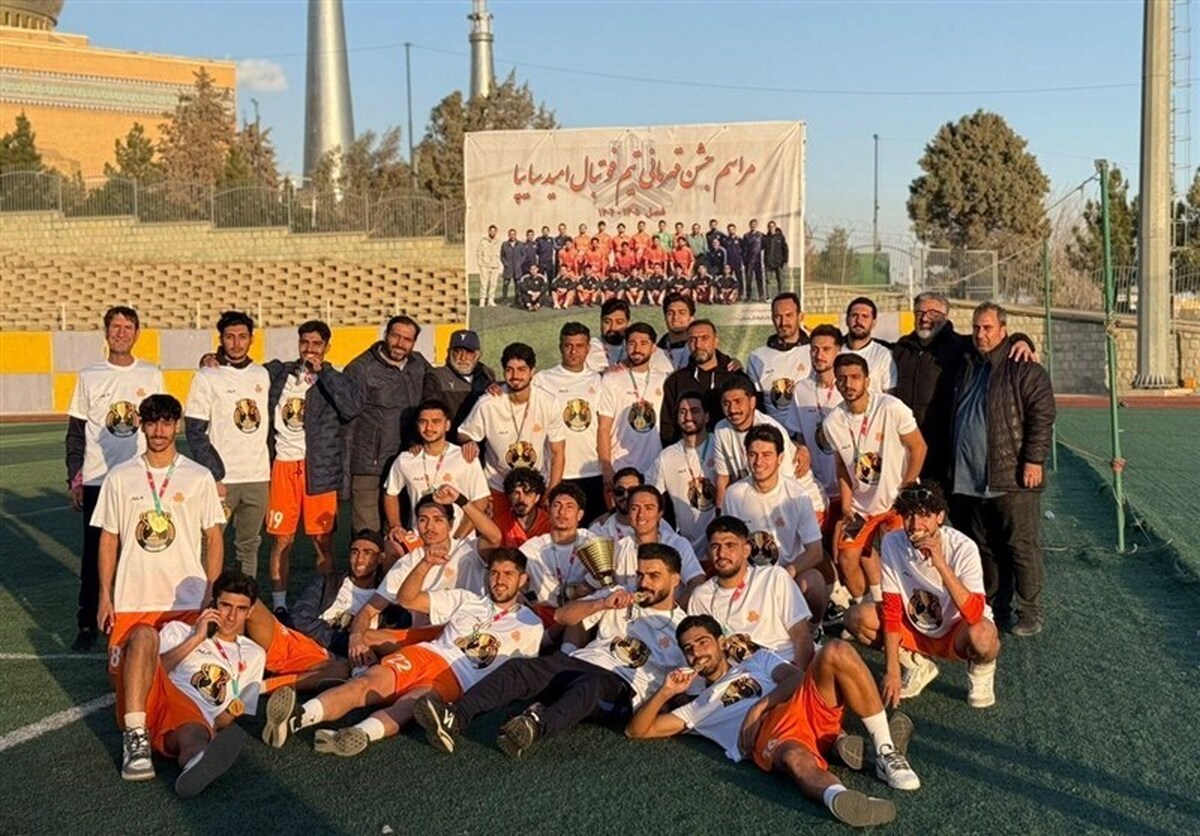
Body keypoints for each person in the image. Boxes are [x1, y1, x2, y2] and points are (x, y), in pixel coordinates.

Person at [626, 616, 919, 828]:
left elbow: (795, 678)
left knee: (836, 651)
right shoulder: (698, 707)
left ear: (720, 643)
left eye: (703, 642)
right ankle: (841, 797)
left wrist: (758, 707)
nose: (696, 652)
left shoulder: (758, 660)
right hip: (775, 733)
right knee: (795, 758)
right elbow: (637, 730)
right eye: (688, 649)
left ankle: (884, 750)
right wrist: (666, 692)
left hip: (801, 706)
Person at [413, 543, 688, 758]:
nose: (644, 583)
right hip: (579, 662)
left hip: (619, 686)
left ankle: (533, 726)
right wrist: (601, 604)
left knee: (589, 686)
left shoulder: (683, 630)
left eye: (654, 576)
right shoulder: (619, 592)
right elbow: (561, 617)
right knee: (518, 668)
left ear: (675, 579)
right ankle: (455, 716)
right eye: (640, 575)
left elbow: (687, 691)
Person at [262, 548, 542, 757]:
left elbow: (519, 676)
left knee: (409, 707)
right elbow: (408, 599)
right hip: (426, 655)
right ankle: (298, 717)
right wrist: (425, 563)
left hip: (456, 680)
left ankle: (356, 735)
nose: (499, 580)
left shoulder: (532, 625)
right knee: (365, 684)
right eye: (494, 573)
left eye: (508, 574)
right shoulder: (466, 599)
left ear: (523, 579)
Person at [92, 394, 225, 714]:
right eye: (152, 423)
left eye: (166, 423)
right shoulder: (120, 477)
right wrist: (105, 595)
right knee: (123, 686)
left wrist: (211, 590)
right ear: (141, 426)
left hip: (186, 602)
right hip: (132, 601)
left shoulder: (199, 476)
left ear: (177, 426)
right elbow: (108, 539)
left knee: (186, 684)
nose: (159, 431)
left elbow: (214, 538)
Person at [949, 302, 1055, 637]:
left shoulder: (1023, 367)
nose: (980, 334)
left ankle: (1031, 611)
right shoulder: (969, 362)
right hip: (972, 478)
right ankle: (997, 607)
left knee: (1021, 545)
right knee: (985, 547)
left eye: (988, 328)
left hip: (1011, 476)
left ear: (1003, 330)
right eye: (976, 327)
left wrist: (1034, 459)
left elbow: (1042, 415)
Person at [845, 482, 1001, 708]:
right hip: (915, 627)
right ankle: (915, 663)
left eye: (925, 516)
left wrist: (940, 563)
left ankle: (981, 670)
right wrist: (892, 670)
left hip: (955, 631)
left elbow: (976, 613)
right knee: (856, 618)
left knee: (983, 635)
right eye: (909, 515)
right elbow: (891, 609)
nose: (915, 524)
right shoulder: (892, 542)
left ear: (940, 517)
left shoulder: (963, 547)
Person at [65, 305, 164, 651]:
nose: (121, 333)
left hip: (140, 479)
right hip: (98, 481)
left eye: (128, 327)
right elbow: (76, 433)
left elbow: (160, 427)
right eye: (116, 327)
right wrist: (75, 478)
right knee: (95, 555)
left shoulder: (151, 374)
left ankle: (138, 618)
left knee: (142, 551)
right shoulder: (89, 375)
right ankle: (88, 622)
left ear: (137, 334)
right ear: (106, 332)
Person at [116, 570, 266, 796]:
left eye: (241, 609)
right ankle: (135, 738)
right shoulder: (179, 631)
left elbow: (224, 719)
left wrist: (229, 714)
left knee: (195, 736)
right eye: (226, 606)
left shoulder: (254, 654)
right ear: (213, 604)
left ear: (250, 611)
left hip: (193, 717)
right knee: (144, 634)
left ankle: (196, 764)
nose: (231, 616)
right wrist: (197, 638)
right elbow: (149, 669)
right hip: (150, 699)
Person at [264, 321, 363, 619]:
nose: (310, 349)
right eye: (305, 343)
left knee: (323, 542)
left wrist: (324, 373)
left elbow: (351, 408)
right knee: (282, 541)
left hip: (319, 469)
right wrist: (215, 358)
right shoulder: (280, 374)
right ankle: (280, 606)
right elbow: (245, 373)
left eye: (316, 344)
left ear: (327, 347)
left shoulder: (334, 379)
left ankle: (324, 602)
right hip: (283, 465)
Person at [891, 291, 1035, 485]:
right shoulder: (902, 348)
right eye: (919, 312)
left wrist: (1021, 340)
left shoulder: (961, 345)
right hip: (906, 447)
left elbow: (995, 341)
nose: (924, 318)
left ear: (945, 316)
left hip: (944, 453)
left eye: (932, 313)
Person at [823, 354, 926, 606]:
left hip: (896, 501)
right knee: (846, 558)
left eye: (855, 377)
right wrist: (846, 504)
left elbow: (918, 447)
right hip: (861, 507)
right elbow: (842, 466)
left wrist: (907, 489)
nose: (849, 384)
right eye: (842, 379)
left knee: (901, 559)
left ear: (867, 380)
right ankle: (867, 606)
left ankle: (904, 606)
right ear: (836, 382)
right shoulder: (832, 422)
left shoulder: (891, 407)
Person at [185, 310, 270, 578]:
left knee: (249, 545)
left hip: (257, 477)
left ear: (252, 339)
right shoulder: (207, 376)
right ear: (220, 339)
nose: (236, 343)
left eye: (242, 337)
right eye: (230, 337)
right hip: (223, 480)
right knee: (209, 541)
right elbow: (195, 430)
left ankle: (245, 598)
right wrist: (215, 474)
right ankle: (204, 597)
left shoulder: (262, 374)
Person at [723, 426, 826, 623]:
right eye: (753, 454)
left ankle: (813, 629)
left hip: (789, 572)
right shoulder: (734, 494)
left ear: (780, 458)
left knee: (814, 582)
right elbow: (728, 543)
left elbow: (815, 551)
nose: (758, 462)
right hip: (749, 576)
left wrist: (787, 574)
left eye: (766, 455)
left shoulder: (797, 495)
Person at [687, 516, 814, 667]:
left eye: (730, 545)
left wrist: (796, 676)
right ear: (708, 552)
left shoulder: (773, 577)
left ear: (746, 550)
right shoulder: (701, 597)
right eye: (715, 546)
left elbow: (802, 637)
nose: (722, 553)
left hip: (786, 663)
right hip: (742, 675)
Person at [458, 342, 566, 515]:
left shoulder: (548, 402)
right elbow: (464, 433)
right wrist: (468, 442)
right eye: (509, 370)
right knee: (496, 533)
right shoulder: (488, 403)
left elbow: (558, 453)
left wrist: (551, 492)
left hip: (536, 489)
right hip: (498, 487)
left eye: (522, 370)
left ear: (532, 371)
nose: (515, 376)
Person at [344, 315, 429, 534]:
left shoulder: (418, 364)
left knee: (398, 531)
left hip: (406, 461)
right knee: (367, 533)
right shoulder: (361, 368)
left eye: (407, 339)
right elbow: (346, 423)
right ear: (385, 335)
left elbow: (440, 386)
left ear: (414, 343)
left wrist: (484, 377)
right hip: (369, 466)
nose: (400, 344)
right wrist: (344, 473)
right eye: (395, 336)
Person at [382, 399, 491, 551]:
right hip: (419, 543)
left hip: (460, 543)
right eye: (423, 422)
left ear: (447, 425)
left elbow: (480, 500)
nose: (429, 428)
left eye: (436, 422)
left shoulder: (465, 456)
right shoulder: (406, 459)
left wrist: (457, 539)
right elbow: (390, 493)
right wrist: (396, 526)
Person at [533, 322, 607, 523]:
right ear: (560, 347)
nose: (573, 351)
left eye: (579, 346)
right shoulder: (542, 379)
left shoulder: (599, 380)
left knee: (593, 532)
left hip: (592, 471)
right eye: (568, 345)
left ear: (588, 349)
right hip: (557, 474)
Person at [290, 530, 398, 659]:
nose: (359, 559)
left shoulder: (385, 598)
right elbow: (300, 617)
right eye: (355, 552)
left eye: (367, 553)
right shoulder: (327, 583)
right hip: (312, 649)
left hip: (353, 660)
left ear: (380, 558)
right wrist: (346, 642)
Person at [597, 323, 668, 492]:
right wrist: (606, 466)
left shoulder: (664, 379)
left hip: (653, 467)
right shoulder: (611, 379)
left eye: (644, 343)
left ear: (653, 348)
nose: (637, 349)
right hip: (619, 465)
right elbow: (604, 427)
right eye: (632, 343)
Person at [788, 325, 846, 532]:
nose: (819, 355)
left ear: (839, 351)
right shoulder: (801, 389)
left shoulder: (848, 388)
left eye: (826, 349)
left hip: (848, 490)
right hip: (816, 491)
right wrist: (799, 447)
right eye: (814, 349)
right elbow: (796, 436)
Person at [711, 375, 799, 511]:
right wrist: (720, 514)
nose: (732, 409)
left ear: (752, 402)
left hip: (800, 500)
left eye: (738, 401)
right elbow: (723, 477)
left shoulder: (772, 430)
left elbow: (785, 484)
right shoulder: (720, 429)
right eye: (726, 403)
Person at [647, 394, 717, 554]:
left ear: (706, 417)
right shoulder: (667, 456)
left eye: (694, 411)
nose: (688, 417)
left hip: (720, 550)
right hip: (687, 553)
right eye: (682, 412)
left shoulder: (720, 445)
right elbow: (648, 495)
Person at [659, 319, 741, 446]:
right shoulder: (676, 381)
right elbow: (668, 426)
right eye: (693, 339)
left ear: (716, 341)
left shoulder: (735, 376)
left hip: (729, 450)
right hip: (689, 452)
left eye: (705, 338)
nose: (698, 345)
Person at [748, 292, 811, 427]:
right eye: (778, 316)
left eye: (789, 315)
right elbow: (756, 406)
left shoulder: (815, 351)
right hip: (774, 434)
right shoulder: (757, 357)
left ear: (800, 316)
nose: (783, 323)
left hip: (808, 433)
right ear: (772, 318)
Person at [421, 329, 495, 438]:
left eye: (468, 352)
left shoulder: (487, 376)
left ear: (478, 355)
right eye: (458, 351)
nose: (463, 357)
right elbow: (426, 413)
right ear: (449, 352)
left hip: (481, 441)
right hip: (450, 442)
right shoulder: (437, 377)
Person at [585, 298, 675, 374]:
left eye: (619, 322)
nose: (613, 327)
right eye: (607, 322)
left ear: (628, 323)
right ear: (600, 321)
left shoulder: (638, 346)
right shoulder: (588, 347)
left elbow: (667, 372)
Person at [842, 297, 897, 392]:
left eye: (865, 316)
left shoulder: (884, 355)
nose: (859, 321)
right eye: (854, 315)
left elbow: (889, 395)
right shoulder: (835, 351)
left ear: (873, 323)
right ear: (847, 320)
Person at [490, 468, 552, 549]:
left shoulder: (549, 524)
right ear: (509, 497)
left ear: (537, 497)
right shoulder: (499, 525)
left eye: (528, 493)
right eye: (516, 493)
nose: (521, 499)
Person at [657, 292, 694, 369]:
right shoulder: (656, 351)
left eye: (682, 313)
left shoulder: (698, 349)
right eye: (670, 313)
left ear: (691, 318)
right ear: (665, 318)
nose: (675, 317)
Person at [476, 224, 503, 307]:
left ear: (496, 232)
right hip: (485, 265)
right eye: (491, 231)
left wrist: (498, 262)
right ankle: (482, 300)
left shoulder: (498, 242)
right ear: (488, 231)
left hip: (495, 265)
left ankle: (491, 300)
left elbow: (501, 253)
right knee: (484, 283)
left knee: (493, 284)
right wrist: (480, 263)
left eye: (494, 231)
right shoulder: (483, 241)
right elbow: (479, 252)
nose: (492, 232)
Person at [763, 220, 790, 297]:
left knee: (780, 280)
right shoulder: (765, 238)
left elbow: (785, 249)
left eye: (772, 226)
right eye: (769, 226)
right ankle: (768, 297)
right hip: (769, 263)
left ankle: (780, 296)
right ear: (768, 228)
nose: (771, 228)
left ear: (775, 227)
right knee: (768, 281)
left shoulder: (780, 237)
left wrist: (785, 261)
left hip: (779, 263)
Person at [742, 218, 766, 301]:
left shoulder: (761, 235)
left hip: (757, 261)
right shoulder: (746, 236)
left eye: (755, 225)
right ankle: (748, 296)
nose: (753, 226)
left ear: (757, 225)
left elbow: (764, 246)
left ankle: (761, 296)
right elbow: (744, 249)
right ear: (749, 225)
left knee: (759, 279)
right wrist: (744, 260)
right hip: (748, 261)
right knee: (748, 279)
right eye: (752, 225)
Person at [499, 228, 522, 304]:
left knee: (518, 285)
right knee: (505, 284)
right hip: (508, 268)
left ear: (516, 235)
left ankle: (517, 300)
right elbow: (502, 256)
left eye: (513, 234)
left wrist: (519, 263)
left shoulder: (520, 244)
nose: (512, 236)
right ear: (508, 235)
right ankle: (504, 299)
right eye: (511, 234)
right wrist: (505, 263)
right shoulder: (505, 244)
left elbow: (524, 255)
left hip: (517, 268)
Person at [724, 223, 745, 298]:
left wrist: (743, 262)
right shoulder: (725, 240)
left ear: (735, 230)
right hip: (729, 263)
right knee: (728, 279)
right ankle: (729, 295)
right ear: (727, 231)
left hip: (737, 262)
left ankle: (741, 294)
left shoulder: (739, 239)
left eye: (732, 229)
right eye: (729, 230)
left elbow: (743, 251)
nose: (731, 231)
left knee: (739, 279)